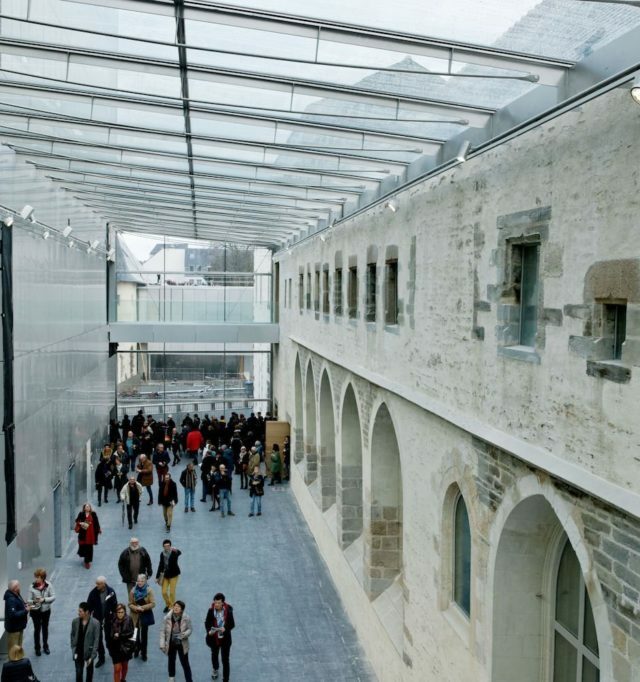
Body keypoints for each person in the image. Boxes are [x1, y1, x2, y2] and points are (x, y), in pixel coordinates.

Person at [86, 576, 117, 669]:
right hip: (97, 619)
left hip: (108, 619)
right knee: (98, 639)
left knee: (109, 638)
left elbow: (115, 605)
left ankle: (111, 652)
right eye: (96, 583)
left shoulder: (111, 592)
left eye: (98, 584)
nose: (97, 585)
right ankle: (101, 657)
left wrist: (114, 617)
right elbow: (89, 607)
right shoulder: (93, 593)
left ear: (104, 584)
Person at [159, 600, 193, 682]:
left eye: (178, 607)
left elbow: (190, 629)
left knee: (185, 664)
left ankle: (189, 680)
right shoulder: (167, 618)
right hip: (171, 643)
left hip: (182, 643)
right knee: (171, 661)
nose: (176, 608)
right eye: (175, 606)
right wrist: (162, 644)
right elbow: (162, 631)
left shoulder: (186, 618)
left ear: (182, 609)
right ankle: (171, 677)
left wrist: (185, 634)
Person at [205, 592, 235, 682]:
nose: (216, 605)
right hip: (214, 639)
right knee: (214, 655)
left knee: (225, 660)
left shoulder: (228, 611)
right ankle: (215, 669)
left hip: (225, 639)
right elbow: (207, 622)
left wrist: (225, 628)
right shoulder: (210, 611)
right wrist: (209, 631)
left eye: (218, 603)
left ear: (223, 603)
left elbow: (232, 624)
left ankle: (226, 679)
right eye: (215, 603)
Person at [70, 602, 100, 682]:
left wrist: (92, 656)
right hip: (78, 652)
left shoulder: (95, 623)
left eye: (80, 611)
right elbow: (72, 635)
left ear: (87, 612)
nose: (78, 613)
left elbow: (96, 641)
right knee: (78, 673)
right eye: (78, 611)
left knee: (89, 674)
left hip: (89, 653)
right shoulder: (75, 621)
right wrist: (73, 647)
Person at [28, 568, 55, 656]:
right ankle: (37, 648)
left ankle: (45, 646)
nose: (36, 579)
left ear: (42, 578)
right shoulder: (31, 586)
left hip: (46, 611)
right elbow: (28, 601)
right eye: (36, 577)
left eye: (38, 577)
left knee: (45, 628)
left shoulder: (48, 585)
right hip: (35, 611)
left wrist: (44, 600)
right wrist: (35, 601)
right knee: (37, 630)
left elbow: (53, 596)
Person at [128, 574, 155, 662]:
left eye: (142, 581)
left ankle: (144, 653)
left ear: (145, 581)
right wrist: (136, 608)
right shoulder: (132, 591)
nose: (139, 583)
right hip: (135, 617)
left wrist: (142, 608)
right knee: (135, 635)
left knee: (144, 636)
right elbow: (130, 604)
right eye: (138, 581)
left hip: (144, 616)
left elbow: (153, 603)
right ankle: (136, 649)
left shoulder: (149, 590)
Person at [105, 603, 134, 682]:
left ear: (125, 612)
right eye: (118, 612)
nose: (120, 614)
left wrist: (120, 635)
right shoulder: (112, 620)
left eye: (122, 612)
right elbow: (108, 635)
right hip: (115, 648)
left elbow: (131, 633)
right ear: (116, 612)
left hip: (126, 647)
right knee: (117, 669)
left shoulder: (129, 619)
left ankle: (123, 679)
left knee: (124, 666)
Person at [3, 581, 30, 651]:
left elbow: (19, 604)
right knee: (13, 650)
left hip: (19, 627)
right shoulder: (11, 600)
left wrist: (25, 605)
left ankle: (19, 661)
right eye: (18, 586)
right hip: (14, 629)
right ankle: (15, 661)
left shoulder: (16, 594)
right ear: (15, 588)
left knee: (18, 648)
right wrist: (26, 610)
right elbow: (13, 615)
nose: (19, 587)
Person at [156, 540, 182, 614]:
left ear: (170, 546)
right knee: (164, 592)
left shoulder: (174, 552)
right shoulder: (162, 554)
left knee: (171, 592)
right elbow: (160, 565)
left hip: (174, 575)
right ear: (163, 546)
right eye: (165, 546)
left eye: (168, 545)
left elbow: (180, 553)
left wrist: (176, 549)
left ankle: (171, 606)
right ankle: (168, 604)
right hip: (165, 575)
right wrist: (157, 577)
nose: (166, 547)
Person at [74, 503, 101, 569]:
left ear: (90, 508)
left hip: (91, 534)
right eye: (86, 507)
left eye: (89, 506)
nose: (88, 508)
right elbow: (77, 520)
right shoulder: (81, 514)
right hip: (83, 534)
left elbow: (96, 523)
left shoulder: (93, 514)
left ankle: (87, 561)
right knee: (84, 547)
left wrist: (98, 529)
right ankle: (85, 558)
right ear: (84, 508)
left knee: (89, 548)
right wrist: (81, 523)